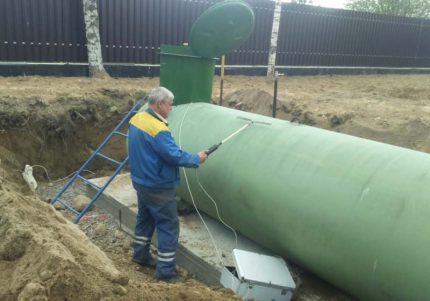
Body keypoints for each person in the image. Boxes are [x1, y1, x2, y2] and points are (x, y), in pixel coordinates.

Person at [128, 87, 208, 282]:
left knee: (145, 218)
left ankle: (140, 254)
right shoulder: (159, 129)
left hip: (141, 181)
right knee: (168, 226)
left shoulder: (137, 119)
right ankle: (165, 272)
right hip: (158, 185)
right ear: (159, 104)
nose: (171, 108)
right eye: (169, 104)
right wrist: (196, 158)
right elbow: (173, 155)